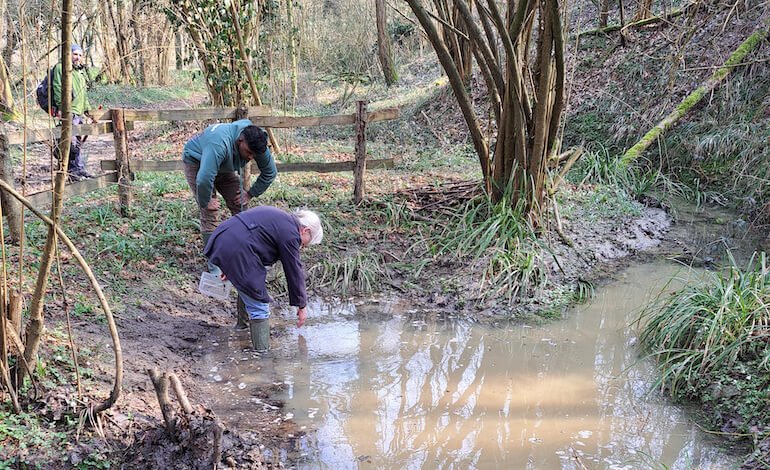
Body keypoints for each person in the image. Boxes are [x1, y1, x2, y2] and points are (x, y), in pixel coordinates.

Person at [204, 206, 323, 352]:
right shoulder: (292, 233)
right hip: (239, 249)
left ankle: (242, 328)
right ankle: (262, 356)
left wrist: (230, 266)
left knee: (249, 283)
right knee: (260, 306)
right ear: (305, 231)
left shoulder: (280, 218)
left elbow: (248, 236)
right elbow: (294, 270)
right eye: (304, 244)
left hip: (222, 239)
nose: (301, 247)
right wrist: (302, 305)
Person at [182, 119, 277, 271]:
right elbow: (204, 178)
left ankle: (246, 253)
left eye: (255, 155)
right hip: (197, 162)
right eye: (249, 153)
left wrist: (251, 193)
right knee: (210, 212)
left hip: (223, 166)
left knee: (240, 204)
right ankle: (215, 264)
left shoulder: (256, 142)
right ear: (240, 140)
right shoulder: (219, 144)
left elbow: (270, 172)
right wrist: (206, 201)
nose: (251, 157)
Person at [50, 44, 97, 181]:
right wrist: (62, 108)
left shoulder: (79, 72)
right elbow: (58, 88)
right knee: (69, 142)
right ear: (68, 54)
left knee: (77, 141)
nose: (78, 57)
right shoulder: (61, 68)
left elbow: (84, 94)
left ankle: (78, 168)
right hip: (69, 111)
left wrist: (88, 111)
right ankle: (70, 171)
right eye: (75, 54)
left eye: (80, 55)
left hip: (79, 112)